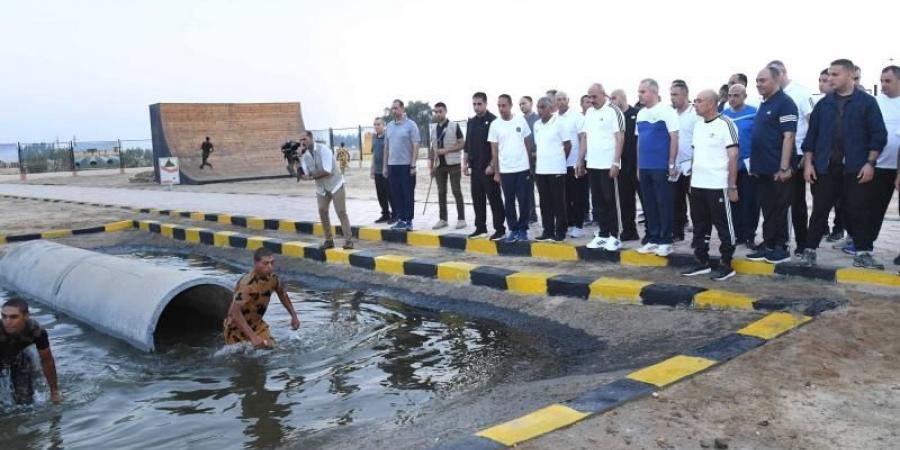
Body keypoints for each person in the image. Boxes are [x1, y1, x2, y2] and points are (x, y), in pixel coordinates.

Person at [799, 59, 888, 270]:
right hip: (826, 168)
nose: (830, 78)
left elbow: (879, 135)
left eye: (835, 74)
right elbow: (811, 137)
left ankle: (864, 253)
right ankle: (809, 251)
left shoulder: (867, 103)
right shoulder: (823, 104)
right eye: (829, 74)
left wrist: (870, 163)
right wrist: (809, 164)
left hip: (856, 169)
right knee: (820, 210)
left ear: (850, 75)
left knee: (858, 210)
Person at [681, 89, 740, 281]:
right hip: (698, 184)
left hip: (719, 185)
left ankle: (726, 263)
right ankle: (701, 261)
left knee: (724, 226)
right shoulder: (698, 126)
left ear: (711, 104)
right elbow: (696, 155)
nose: (695, 104)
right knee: (700, 225)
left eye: (699, 101)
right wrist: (691, 181)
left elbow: (733, 156)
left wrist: (732, 186)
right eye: (695, 100)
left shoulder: (726, 124)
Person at [747, 67, 798, 264]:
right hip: (763, 169)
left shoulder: (785, 103)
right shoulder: (765, 103)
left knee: (781, 209)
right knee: (768, 209)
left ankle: (781, 247)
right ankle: (769, 243)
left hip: (779, 169)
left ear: (776, 80)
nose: (759, 84)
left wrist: (784, 167)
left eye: (763, 80)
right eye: (757, 80)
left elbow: (789, 136)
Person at [769, 60, 815, 256]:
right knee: (778, 202)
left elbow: (812, 124)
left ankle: (802, 243)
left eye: (776, 73)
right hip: (777, 155)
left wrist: (807, 154)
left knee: (797, 202)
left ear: (783, 72)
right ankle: (781, 242)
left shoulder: (801, 92)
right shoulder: (772, 95)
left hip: (797, 153)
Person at [634, 78, 680, 256]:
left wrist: (671, 163)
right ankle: (653, 238)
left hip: (661, 166)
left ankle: (666, 239)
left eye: (642, 91)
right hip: (645, 166)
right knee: (649, 204)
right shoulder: (640, 114)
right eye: (639, 92)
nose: (639, 95)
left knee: (664, 202)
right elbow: (639, 142)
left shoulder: (666, 111)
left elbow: (674, 138)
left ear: (653, 92)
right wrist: (638, 166)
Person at [578, 83, 626, 251]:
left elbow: (620, 137)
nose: (591, 100)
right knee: (597, 202)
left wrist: (615, 162)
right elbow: (585, 137)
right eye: (589, 97)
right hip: (593, 164)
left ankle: (616, 235)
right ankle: (603, 234)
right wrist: (580, 160)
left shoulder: (614, 111)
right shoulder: (589, 113)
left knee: (611, 200)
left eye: (594, 97)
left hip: (608, 165)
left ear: (603, 94)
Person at [223, 247, 301, 348]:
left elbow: (282, 294)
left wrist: (294, 316)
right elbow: (234, 312)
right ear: (256, 263)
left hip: (257, 324)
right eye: (265, 263)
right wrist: (252, 337)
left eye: (272, 263)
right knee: (242, 359)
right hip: (237, 329)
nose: (270, 267)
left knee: (273, 348)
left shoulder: (273, 279)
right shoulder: (247, 285)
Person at [488, 94, 533, 242]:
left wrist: (529, 165)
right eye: (499, 106)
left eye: (504, 105)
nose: (501, 109)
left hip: (522, 169)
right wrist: (497, 172)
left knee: (524, 201)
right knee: (509, 201)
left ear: (510, 105)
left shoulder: (521, 120)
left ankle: (523, 229)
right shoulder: (495, 125)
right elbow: (494, 150)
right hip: (506, 171)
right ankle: (513, 229)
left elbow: (528, 143)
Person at [300, 131, 354, 249]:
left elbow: (327, 170)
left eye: (304, 139)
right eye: (301, 140)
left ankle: (349, 241)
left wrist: (310, 177)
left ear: (311, 138)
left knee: (341, 211)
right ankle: (329, 240)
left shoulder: (323, 149)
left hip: (335, 184)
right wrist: (294, 165)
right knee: (322, 210)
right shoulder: (305, 156)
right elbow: (304, 173)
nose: (302, 142)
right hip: (322, 188)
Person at [1, 298, 61, 404]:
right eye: (4, 316)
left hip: (19, 359)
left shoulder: (36, 331)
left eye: (13, 317)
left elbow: (47, 361)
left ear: (26, 316)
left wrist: (54, 392)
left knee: (25, 402)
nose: (7, 322)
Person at [464, 92, 506, 240]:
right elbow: (467, 145)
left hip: (489, 169)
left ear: (486, 104)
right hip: (475, 168)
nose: (476, 107)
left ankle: (500, 229)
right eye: (474, 104)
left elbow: (497, 147)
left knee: (494, 199)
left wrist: (492, 165)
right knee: (477, 198)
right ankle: (480, 228)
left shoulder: (494, 121)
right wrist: (465, 163)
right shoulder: (471, 122)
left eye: (479, 104)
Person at [722, 84, 760, 248]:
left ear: (744, 96)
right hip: (731, 165)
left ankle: (749, 235)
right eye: (730, 95)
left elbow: (759, 137)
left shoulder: (753, 112)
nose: (732, 99)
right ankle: (737, 234)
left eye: (736, 95)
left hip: (749, 165)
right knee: (733, 200)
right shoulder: (723, 115)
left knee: (751, 201)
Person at [532, 96, 571, 241]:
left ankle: (560, 231)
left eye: (543, 107)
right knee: (544, 202)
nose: (540, 110)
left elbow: (567, 145)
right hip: (541, 170)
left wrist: (559, 161)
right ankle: (547, 230)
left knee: (558, 202)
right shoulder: (536, 125)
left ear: (550, 108)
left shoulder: (559, 123)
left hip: (556, 170)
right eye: (538, 107)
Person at [875, 66, 900, 266]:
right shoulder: (875, 102)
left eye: (888, 81)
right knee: (873, 208)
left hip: (899, 167)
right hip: (879, 166)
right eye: (882, 80)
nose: (883, 85)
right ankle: (864, 246)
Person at [383, 99, 421, 231]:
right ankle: (400, 219)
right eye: (392, 108)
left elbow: (416, 145)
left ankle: (409, 221)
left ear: (402, 109)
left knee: (408, 193)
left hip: (406, 166)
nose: (394, 111)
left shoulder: (411, 125)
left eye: (396, 108)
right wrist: (385, 166)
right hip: (393, 165)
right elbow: (386, 147)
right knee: (396, 193)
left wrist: (413, 164)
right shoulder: (389, 126)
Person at [610, 89, 642, 241]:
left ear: (623, 98)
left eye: (614, 97)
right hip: (622, 165)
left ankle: (651, 233)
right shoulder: (613, 117)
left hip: (637, 164)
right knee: (625, 200)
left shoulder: (638, 113)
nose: (612, 101)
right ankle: (629, 230)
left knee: (644, 199)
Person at [429, 102, 467, 230]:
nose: (438, 114)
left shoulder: (454, 126)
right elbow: (433, 148)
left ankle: (461, 219)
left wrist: (447, 150)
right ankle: (443, 219)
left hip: (454, 163)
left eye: (440, 111)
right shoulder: (433, 128)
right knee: (441, 192)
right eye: (436, 112)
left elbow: (462, 144)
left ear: (445, 111)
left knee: (456, 191)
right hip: (439, 165)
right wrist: (431, 166)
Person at [671, 81, 699, 241]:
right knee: (675, 200)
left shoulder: (695, 114)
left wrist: (695, 163)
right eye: (671, 95)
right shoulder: (670, 114)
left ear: (685, 95)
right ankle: (677, 233)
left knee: (695, 202)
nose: (672, 98)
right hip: (675, 164)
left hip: (691, 164)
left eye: (675, 95)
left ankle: (698, 236)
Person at [559, 92, 588, 239]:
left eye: (564, 99)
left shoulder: (577, 117)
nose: (561, 102)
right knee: (564, 196)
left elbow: (583, 137)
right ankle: (569, 223)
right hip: (559, 166)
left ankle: (578, 226)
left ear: (568, 100)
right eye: (558, 99)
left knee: (578, 197)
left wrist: (581, 160)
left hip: (575, 164)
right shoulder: (554, 118)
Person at [370, 118, 396, 224]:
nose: (376, 126)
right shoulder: (374, 137)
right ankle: (385, 214)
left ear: (384, 125)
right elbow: (374, 154)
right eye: (375, 124)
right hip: (377, 172)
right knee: (380, 194)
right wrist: (372, 169)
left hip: (386, 171)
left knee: (390, 194)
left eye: (378, 124)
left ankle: (395, 214)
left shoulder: (388, 137)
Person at [519, 96, 540, 224]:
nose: (522, 106)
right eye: (520, 104)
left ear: (531, 103)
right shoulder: (518, 121)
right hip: (524, 161)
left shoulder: (538, 119)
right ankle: (532, 216)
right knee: (527, 190)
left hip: (538, 159)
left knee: (543, 189)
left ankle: (549, 214)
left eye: (524, 103)